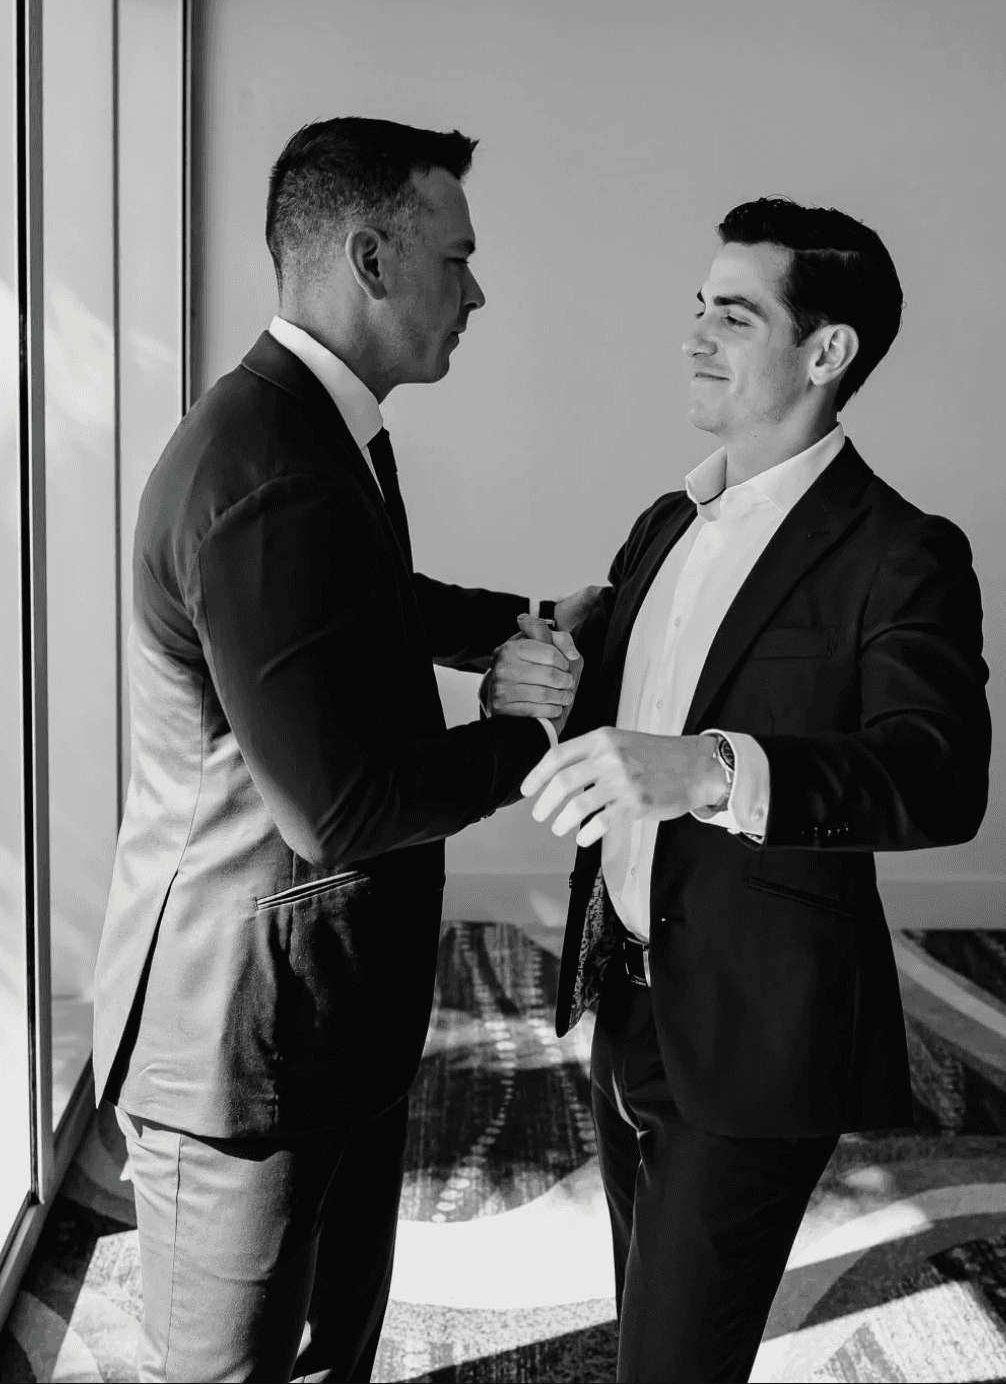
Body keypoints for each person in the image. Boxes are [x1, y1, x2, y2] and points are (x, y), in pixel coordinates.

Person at [92, 117, 591, 1383]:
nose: (476, 291)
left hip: (325, 1003)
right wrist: (527, 731)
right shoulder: (267, 467)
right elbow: (342, 808)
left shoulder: (315, 427)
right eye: (456, 258)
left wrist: (520, 624)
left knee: (330, 1351)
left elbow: (362, 599)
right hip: (241, 1034)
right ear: (371, 259)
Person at [493, 198, 991, 1382]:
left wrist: (714, 767)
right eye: (697, 308)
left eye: (734, 314)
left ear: (827, 353)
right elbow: (619, 721)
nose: (694, 336)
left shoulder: (901, 551)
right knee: (647, 1326)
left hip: (762, 1027)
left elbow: (937, 777)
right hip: (625, 998)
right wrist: (544, 686)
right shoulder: (663, 523)